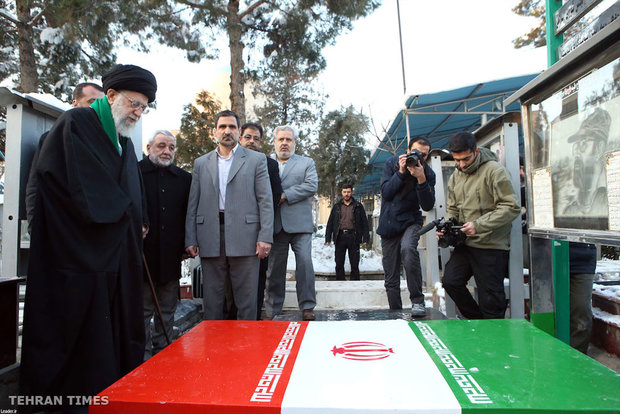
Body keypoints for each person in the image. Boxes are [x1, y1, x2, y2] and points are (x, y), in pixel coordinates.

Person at [20, 64, 156, 409]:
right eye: (134, 104)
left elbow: (129, 192)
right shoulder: (76, 124)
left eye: (144, 107)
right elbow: (83, 191)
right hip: (77, 258)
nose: (138, 113)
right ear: (111, 96)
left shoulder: (121, 139)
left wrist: (135, 219)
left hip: (114, 256)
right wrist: (123, 212)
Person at [185, 110, 273, 321]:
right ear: (214, 131)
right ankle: (214, 348)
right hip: (210, 236)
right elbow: (193, 203)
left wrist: (265, 237)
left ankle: (246, 345)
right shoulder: (201, 163)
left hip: (247, 236)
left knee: (246, 300)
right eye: (222, 127)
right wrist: (191, 238)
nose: (227, 131)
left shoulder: (256, 160)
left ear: (239, 131)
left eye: (232, 127)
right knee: (212, 300)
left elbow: (266, 201)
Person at [440, 132, 520, 319]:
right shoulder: (456, 176)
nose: (462, 164)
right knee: (451, 281)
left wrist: (478, 225)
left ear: (476, 151)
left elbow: (511, 207)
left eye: (466, 159)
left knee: (491, 300)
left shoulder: (495, 171)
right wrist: (449, 226)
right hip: (466, 244)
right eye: (457, 160)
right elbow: (452, 207)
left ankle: (495, 339)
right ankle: (478, 322)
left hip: (491, 245)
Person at [139, 130, 191, 359]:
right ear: (149, 147)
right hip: (142, 257)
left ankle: (163, 357)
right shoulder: (135, 173)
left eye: (171, 147)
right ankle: (142, 358)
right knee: (142, 312)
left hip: (170, 257)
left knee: (167, 312)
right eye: (161, 146)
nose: (166, 151)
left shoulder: (184, 178)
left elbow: (189, 214)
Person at [25, 82, 105, 230]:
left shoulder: (113, 145)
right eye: (92, 102)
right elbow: (36, 187)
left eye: (102, 104)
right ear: (75, 103)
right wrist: (35, 228)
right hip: (64, 232)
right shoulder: (53, 140)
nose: (98, 109)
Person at [264, 125, 318, 321]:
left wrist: (286, 195)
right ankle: (272, 310)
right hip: (276, 224)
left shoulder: (306, 163)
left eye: (288, 139)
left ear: (295, 142)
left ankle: (307, 306)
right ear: (275, 142)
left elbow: (311, 185)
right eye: (281, 139)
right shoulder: (265, 163)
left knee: (305, 264)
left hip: (300, 225)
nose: (284, 143)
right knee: (275, 269)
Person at [376, 138, 435, 317]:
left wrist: (421, 179)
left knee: (409, 250)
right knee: (391, 274)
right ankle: (395, 311)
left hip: (411, 222)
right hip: (389, 224)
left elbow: (427, 205)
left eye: (424, 155)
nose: (419, 156)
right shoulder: (392, 163)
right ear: (407, 150)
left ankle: (417, 301)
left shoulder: (428, 173)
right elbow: (386, 192)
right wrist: (401, 172)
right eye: (416, 152)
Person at [239, 122, 283, 319]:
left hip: (259, 232)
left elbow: (273, 199)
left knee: (257, 279)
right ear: (240, 139)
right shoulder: (226, 162)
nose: (252, 142)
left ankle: (254, 321)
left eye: (256, 138)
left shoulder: (270, 165)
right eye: (248, 137)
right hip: (230, 231)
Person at [325, 183, 370, 281]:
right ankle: (340, 283)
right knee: (339, 263)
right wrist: (327, 238)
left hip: (353, 237)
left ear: (352, 192)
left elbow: (365, 223)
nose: (346, 194)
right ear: (342, 192)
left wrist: (366, 238)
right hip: (340, 236)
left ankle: (354, 284)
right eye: (345, 192)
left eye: (348, 192)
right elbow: (330, 223)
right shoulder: (336, 206)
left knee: (354, 264)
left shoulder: (358, 206)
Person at [569, 242, 597, 354]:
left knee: (581, 310)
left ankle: (577, 358)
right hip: (547, 253)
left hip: (583, 258)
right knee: (548, 311)